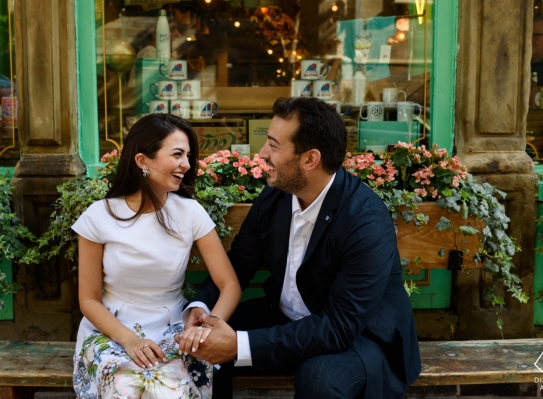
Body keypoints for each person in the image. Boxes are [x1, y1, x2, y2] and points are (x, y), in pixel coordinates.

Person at [178, 97, 421, 398]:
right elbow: (240, 264)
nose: (262, 153)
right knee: (199, 342)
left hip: (362, 337)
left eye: (273, 145)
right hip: (288, 318)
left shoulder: (365, 220)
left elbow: (339, 327)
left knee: (318, 378)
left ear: (309, 160)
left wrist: (239, 346)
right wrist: (201, 309)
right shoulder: (276, 195)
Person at [72, 114, 241, 398]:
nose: (186, 165)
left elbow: (229, 285)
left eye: (188, 155)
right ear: (142, 161)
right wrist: (129, 340)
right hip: (112, 330)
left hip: (175, 328)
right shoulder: (99, 215)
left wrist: (207, 328)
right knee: (127, 385)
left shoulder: (190, 213)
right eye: (177, 154)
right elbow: (88, 299)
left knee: (170, 386)